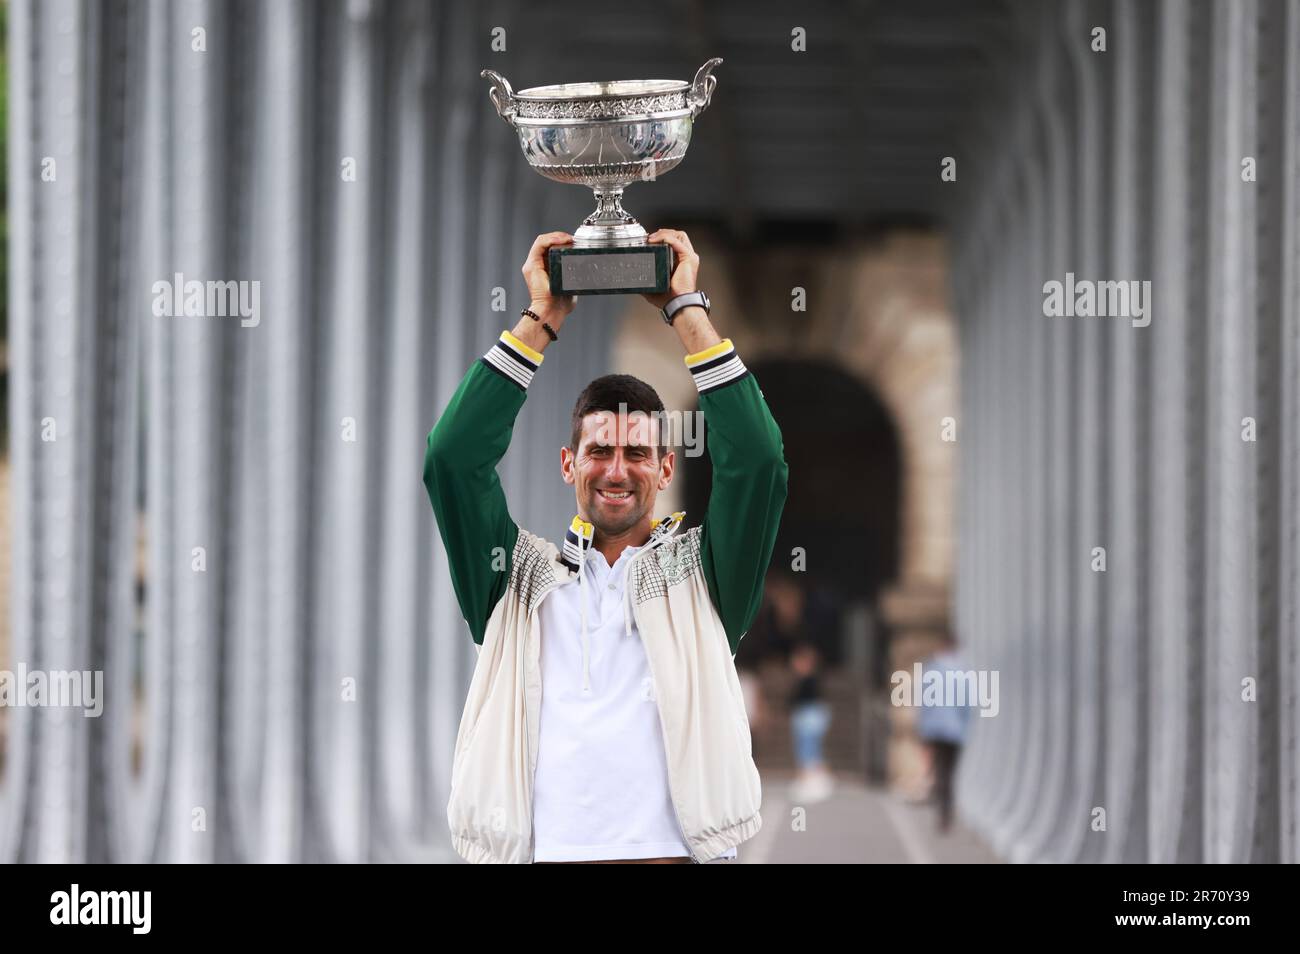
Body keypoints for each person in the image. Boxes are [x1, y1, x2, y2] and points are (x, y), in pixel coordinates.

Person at [423, 229, 789, 863]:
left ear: (666, 468)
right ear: (569, 463)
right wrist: (542, 318)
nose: (617, 471)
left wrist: (685, 309)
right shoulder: (514, 580)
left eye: (637, 453)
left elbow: (758, 463)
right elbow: (453, 460)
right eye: (599, 451)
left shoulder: (704, 578)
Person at [914, 633, 975, 833]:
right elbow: (968, 704)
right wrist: (965, 727)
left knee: (940, 770)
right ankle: (947, 810)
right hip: (955, 730)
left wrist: (923, 727)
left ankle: (942, 811)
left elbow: (925, 701)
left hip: (935, 727)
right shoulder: (963, 670)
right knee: (950, 771)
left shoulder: (932, 668)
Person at [788, 641, 833, 803]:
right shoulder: (806, 680)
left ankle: (809, 782)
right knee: (810, 749)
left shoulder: (809, 680)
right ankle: (812, 781)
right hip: (809, 716)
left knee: (807, 750)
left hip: (808, 717)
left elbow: (800, 701)